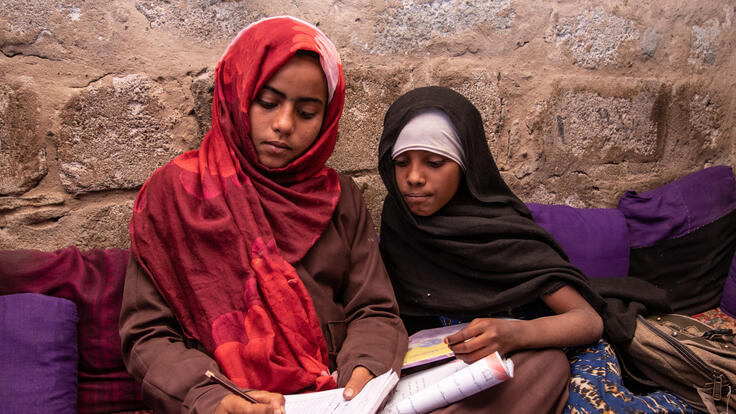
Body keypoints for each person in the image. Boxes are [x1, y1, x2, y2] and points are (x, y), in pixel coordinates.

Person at [120, 16, 407, 414]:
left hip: (332, 396)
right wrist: (213, 398)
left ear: (328, 118)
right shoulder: (174, 195)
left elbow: (373, 309)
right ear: (236, 96)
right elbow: (148, 335)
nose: (284, 125)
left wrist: (365, 369)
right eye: (268, 103)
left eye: (307, 113)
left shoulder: (340, 198)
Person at [377, 86, 607, 413]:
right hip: (441, 372)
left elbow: (588, 321)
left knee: (550, 367)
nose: (414, 177)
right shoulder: (401, 226)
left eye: (434, 162)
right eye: (401, 162)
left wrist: (514, 334)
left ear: (466, 165)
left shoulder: (498, 229)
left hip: (522, 354)